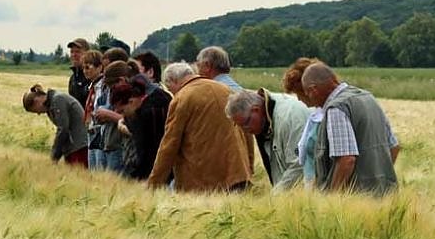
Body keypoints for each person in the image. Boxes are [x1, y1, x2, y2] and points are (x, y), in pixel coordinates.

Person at [146, 63, 251, 193]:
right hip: (237, 173)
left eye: (169, 88)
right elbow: (247, 131)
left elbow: (169, 144)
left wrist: (154, 184)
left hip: (202, 181)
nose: (172, 93)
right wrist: (249, 168)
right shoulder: (226, 90)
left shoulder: (182, 98)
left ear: (174, 81)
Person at [300, 62, 400, 196]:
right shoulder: (368, 97)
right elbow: (394, 147)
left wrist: (333, 199)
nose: (310, 101)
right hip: (386, 194)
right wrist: (379, 177)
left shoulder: (337, 108)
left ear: (313, 90)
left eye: (308, 94)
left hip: (357, 197)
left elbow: (346, 159)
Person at [225, 88, 310, 192]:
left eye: (246, 123)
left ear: (256, 110)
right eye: (240, 126)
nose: (245, 130)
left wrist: (275, 195)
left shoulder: (288, 118)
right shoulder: (265, 117)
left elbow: (299, 164)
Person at [109, 74, 171, 181]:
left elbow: (147, 150)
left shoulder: (146, 114)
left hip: (158, 169)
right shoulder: (159, 97)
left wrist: (138, 176)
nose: (123, 115)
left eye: (122, 111)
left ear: (131, 101)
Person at [282, 57, 326, 186]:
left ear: (309, 90)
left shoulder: (330, 115)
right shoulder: (315, 115)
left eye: (299, 94)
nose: (299, 99)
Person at [22, 85, 89, 166]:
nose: (38, 113)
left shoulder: (57, 100)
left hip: (79, 145)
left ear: (36, 101)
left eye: (35, 110)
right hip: (73, 146)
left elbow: (63, 129)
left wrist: (54, 157)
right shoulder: (51, 105)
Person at [67, 38, 92, 104]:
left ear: (87, 54)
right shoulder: (73, 78)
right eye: (72, 52)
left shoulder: (93, 76)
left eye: (77, 52)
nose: (74, 55)